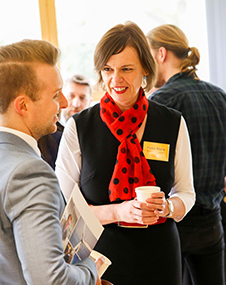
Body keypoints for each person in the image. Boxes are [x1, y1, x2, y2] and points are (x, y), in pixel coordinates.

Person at [55, 21, 195, 285]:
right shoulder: (79, 127)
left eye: (126, 69)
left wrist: (166, 207)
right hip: (100, 260)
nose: (115, 79)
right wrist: (119, 212)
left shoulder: (172, 123)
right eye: (108, 69)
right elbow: (69, 210)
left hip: (160, 254)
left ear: (145, 69)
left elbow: (186, 194)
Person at [0, 39, 103, 284]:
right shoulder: (31, 172)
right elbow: (50, 280)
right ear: (23, 105)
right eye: (56, 95)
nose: (65, 104)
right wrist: (91, 270)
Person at [146, 24, 226, 285]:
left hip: (174, 220)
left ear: (160, 54)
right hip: (213, 221)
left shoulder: (160, 102)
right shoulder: (220, 97)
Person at [38, 74, 92, 169]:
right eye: (71, 96)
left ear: (90, 102)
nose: (76, 104)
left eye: (82, 98)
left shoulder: (92, 136)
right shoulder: (46, 134)